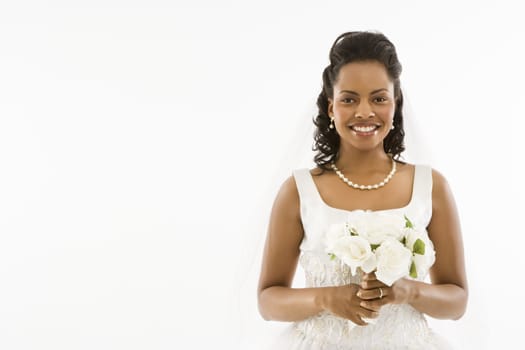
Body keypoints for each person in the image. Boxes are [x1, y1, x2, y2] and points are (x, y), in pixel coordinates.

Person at [256, 30, 468, 349]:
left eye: (379, 98)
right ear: (331, 107)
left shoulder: (431, 186)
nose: (365, 112)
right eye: (349, 99)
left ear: (395, 104)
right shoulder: (298, 191)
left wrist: (407, 290)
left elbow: (457, 302)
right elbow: (268, 301)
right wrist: (327, 298)